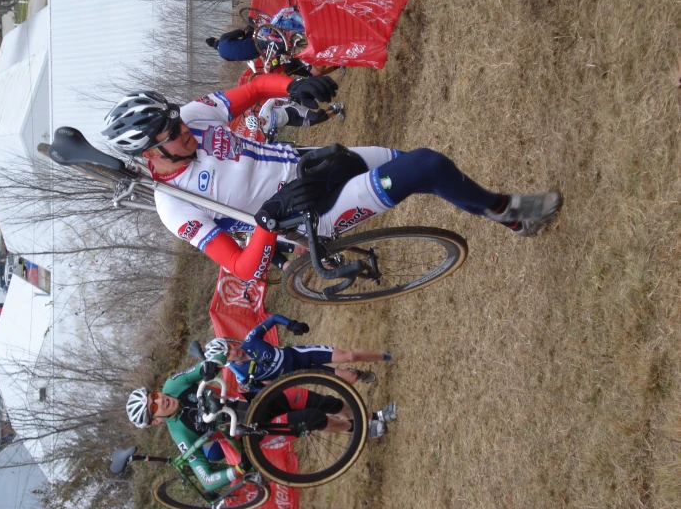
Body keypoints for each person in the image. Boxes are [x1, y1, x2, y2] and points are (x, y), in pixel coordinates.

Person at [101, 76, 562, 283]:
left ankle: (504, 217)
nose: (184, 128)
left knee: (422, 170)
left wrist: (293, 88)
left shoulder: (195, 117)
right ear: (149, 153)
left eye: (176, 118)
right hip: (310, 215)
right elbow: (244, 270)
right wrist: (268, 219)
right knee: (426, 166)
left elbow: (257, 89)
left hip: (315, 162)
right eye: (171, 132)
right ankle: (511, 213)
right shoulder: (173, 204)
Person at [126, 359, 397, 492]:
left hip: (252, 400)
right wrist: (238, 470)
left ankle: (371, 416)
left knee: (319, 399)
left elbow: (207, 363)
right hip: (251, 431)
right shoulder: (180, 433)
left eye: (153, 396)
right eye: (153, 408)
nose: (159, 401)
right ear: (156, 420)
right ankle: (359, 430)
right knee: (310, 419)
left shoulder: (174, 385)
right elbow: (206, 480)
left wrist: (210, 366)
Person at [203, 314, 391, 386]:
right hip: (302, 373)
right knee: (351, 378)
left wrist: (292, 324)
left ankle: (386, 357)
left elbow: (273, 319)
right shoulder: (242, 376)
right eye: (227, 353)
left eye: (229, 346)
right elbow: (263, 392)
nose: (233, 351)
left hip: (300, 355)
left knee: (350, 356)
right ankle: (359, 373)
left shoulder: (251, 339)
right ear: (225, 360)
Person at [246, 98, 345, 136]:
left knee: (314, 116)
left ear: (257, 117)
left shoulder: (265, 110)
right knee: (316, 121)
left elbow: (274, 98)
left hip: (290, 110)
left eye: (259, 121)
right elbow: (275, 133)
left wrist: (287, 100)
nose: (261, 124)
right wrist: (275, 133)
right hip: (292, 121)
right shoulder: (264, 129)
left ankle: (333, 106)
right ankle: (335, 111)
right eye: (259, 126)